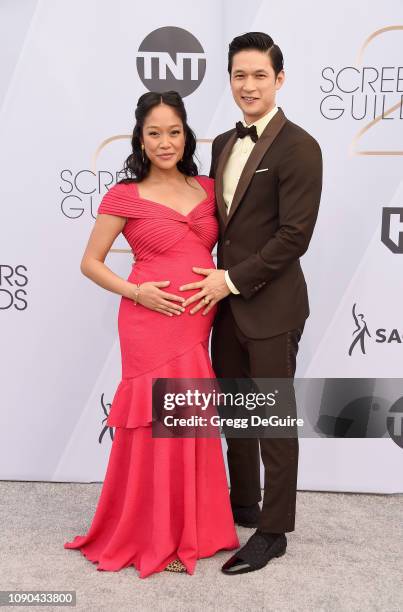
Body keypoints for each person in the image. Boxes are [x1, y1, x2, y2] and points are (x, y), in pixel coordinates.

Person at [64, 91, 239, 578]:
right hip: (148, 321)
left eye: (174, 131)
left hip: (198, 320)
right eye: (154, 133)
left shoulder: (207, 187)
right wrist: (138, 293)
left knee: (189, 416)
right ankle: (149, 529)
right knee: (153, 417)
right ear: (140, 138)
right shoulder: (124, 194)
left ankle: (193, 528)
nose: (165, 142)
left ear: (187, 135)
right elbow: (90, 262)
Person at [178, 32, 323, 574]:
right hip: (225, 309)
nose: (249, 85)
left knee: (274, 422)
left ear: (279, 80)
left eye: (260, 75)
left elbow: (293, 237)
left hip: (270, 305)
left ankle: (272, 531)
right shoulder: (220, 143)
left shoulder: (301, 146)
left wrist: (230, 281)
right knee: (237, 415)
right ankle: (242, 506)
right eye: (240, 75)